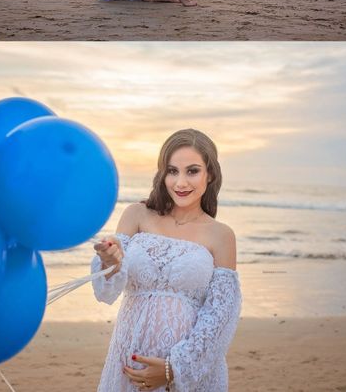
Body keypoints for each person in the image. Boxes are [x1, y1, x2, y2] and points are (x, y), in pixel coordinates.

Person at [91, 128, 241, 392]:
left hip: (187, 376)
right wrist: (109, 260)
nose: (180, 183)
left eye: (192, 171)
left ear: (211, 174)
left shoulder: (221, 236)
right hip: (127, 364)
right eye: (172, 171)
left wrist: (174, 369)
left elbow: (220, 316)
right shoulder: (137, 214)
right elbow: (109, 286)